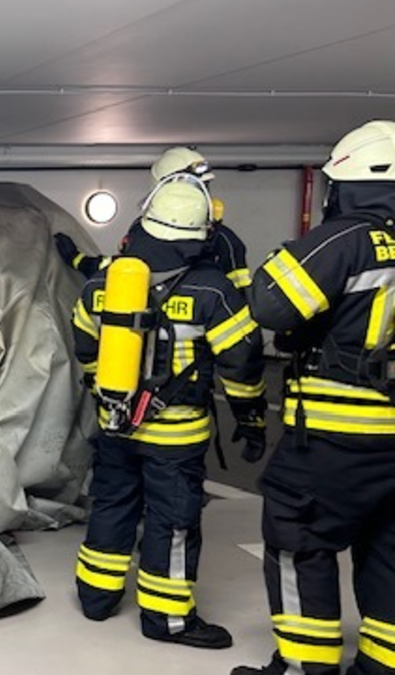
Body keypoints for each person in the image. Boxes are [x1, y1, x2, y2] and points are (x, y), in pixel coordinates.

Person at [71, 179, 267, 649]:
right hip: (176, 438)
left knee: (112, 506)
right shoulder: (212, 290)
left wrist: (111, 398)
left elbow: (84, 349)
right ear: (198, 234)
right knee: (172, 522)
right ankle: (166, 619)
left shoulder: (103, 284)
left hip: (116, 427)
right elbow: (241, 362)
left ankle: (96, 597)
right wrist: (251, 418)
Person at [233, 120, 395, 675]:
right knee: (388, 552)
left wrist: (290, 254)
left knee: (299, 540)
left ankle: (307, 666)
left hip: (337, 437)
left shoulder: (346, 239)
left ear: (346, 185)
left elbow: (271, 305)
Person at [56, 146, 252, 288]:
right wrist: (77, 259)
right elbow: (122, 268)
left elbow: (239, 300)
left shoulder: (224, 241)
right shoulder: (141, 231)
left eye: (202, 187)